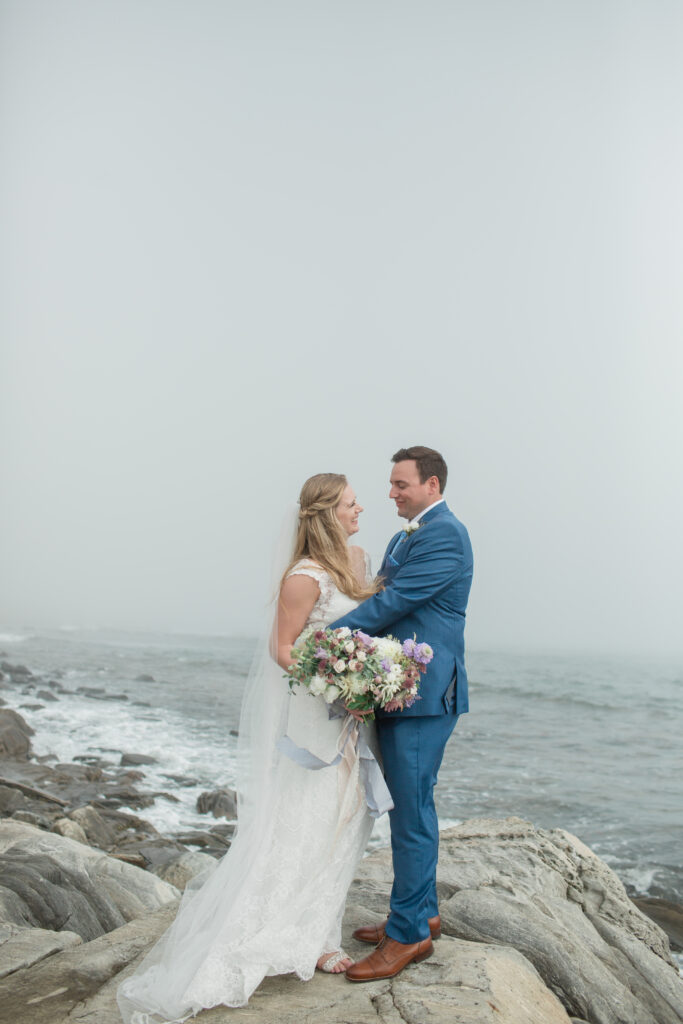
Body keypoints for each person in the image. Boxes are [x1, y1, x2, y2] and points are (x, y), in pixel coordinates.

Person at [117, 473, 382, 1022]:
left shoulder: (356, 561)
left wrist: (373, 679)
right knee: (308, 819)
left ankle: (319, 933)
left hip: (355, 718)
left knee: (348, 819)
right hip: (319, 713)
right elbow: (283, 649)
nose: (362, 511)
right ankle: (275, 934)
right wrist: (336, 685)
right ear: (328, 513)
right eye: (353, 505)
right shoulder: (303, 577)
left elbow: (369, 629)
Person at [328, 446, 473, 983]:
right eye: (390, 484)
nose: (391, 493)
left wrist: (327, 637)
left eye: (400, 485)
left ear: (431, 485)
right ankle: (421, 911)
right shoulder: (404, 535)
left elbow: (397, 601)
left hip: (423, 694)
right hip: (397, 688)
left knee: (409, 811)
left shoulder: (445, 534)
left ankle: (408, 936)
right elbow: (382, 593)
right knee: (412, 805)